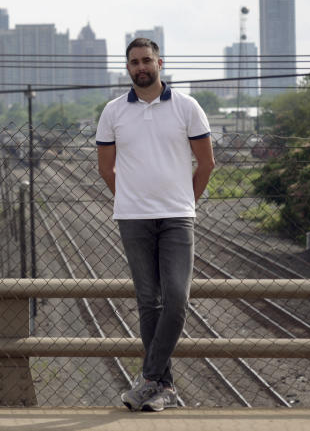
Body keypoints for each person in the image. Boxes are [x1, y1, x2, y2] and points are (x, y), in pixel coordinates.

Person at [95, 37, 215, 412]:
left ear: (160, 63)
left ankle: (148, 378)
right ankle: (164, 389)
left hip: (178, 218)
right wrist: (130, 198)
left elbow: (206, 164)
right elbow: (105, 168)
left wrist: (184, 202)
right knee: (149, 302)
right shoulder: (113, 112)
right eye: (134, 62)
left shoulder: (186, 107)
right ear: (127, 68)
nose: (140, 67)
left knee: (176, 299)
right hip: (133, 219)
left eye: (146, 60)